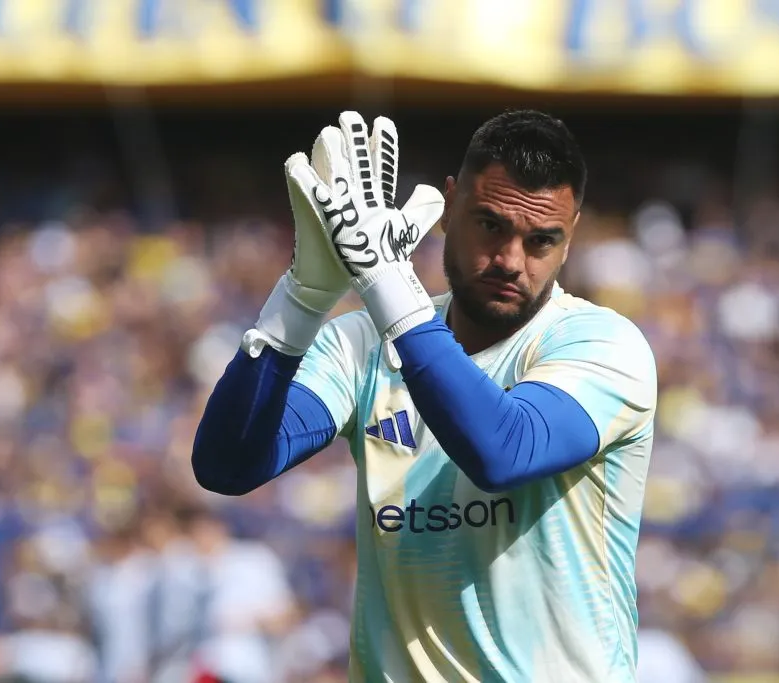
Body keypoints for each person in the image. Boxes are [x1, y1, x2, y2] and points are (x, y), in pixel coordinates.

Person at [192, 109, 658, 682]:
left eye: (541, 240)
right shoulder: (362, 344)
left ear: (571, 236)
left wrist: (388, 282)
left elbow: (502, 451)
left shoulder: (602, 343)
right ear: (449, 205)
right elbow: (227, 464)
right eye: (490, 225)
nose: (511, 261)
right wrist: (304, 296)